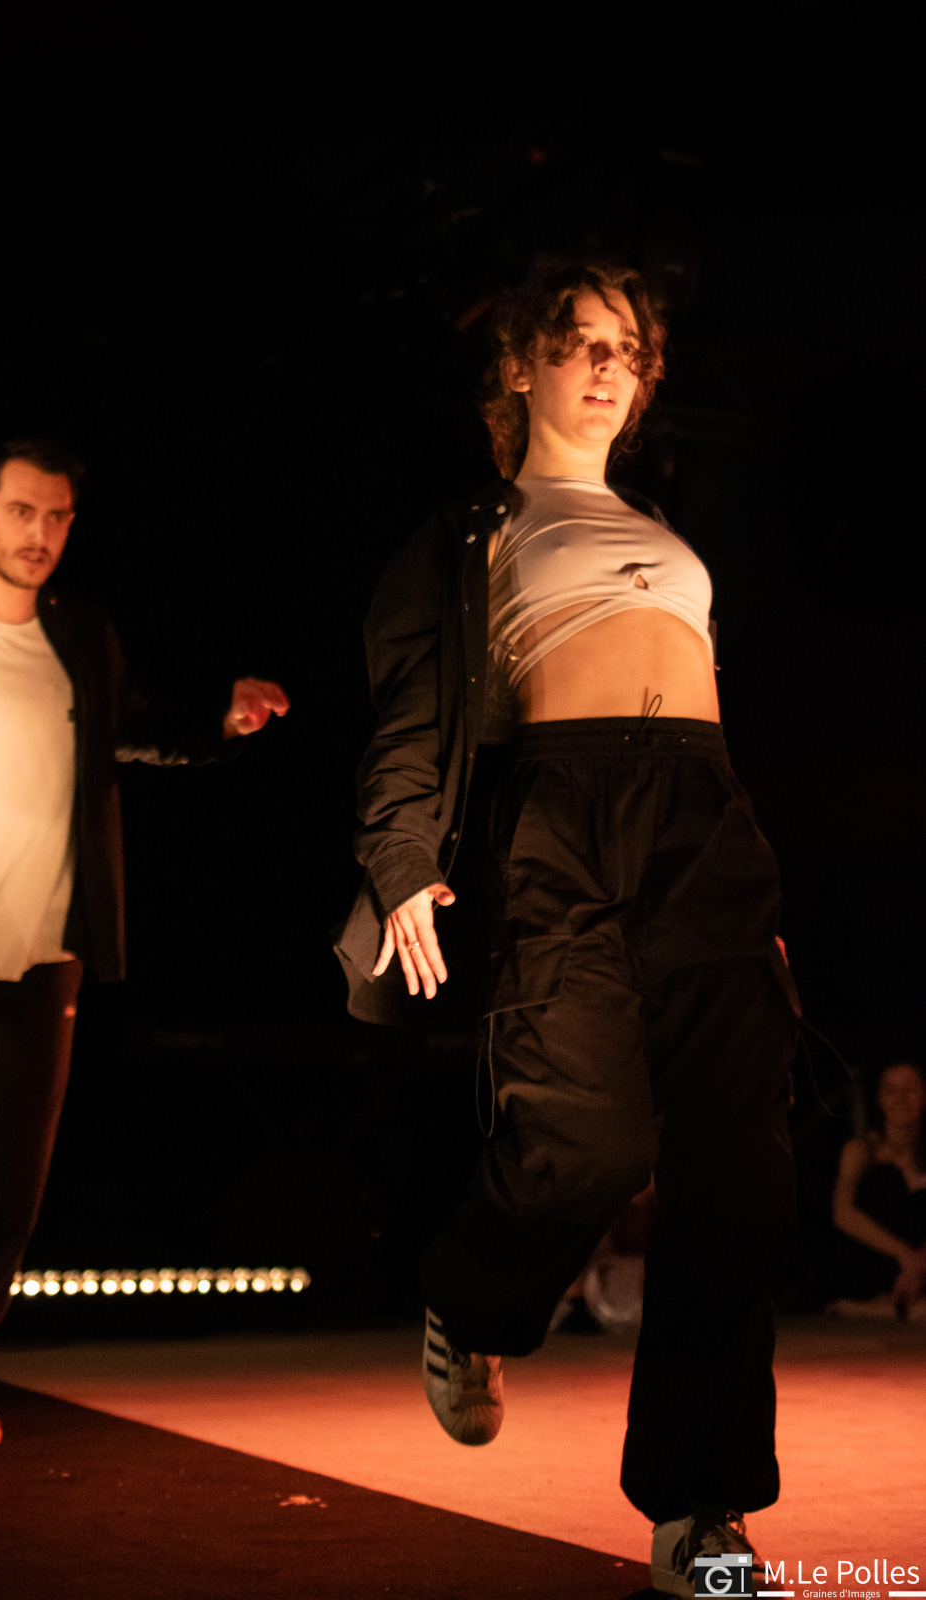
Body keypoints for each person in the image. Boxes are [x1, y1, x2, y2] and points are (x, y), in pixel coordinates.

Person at [336, 263, 801, 1599]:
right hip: (559, 816)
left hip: (703, 822)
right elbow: (409, 726)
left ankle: (700, 1511)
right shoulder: (466, 534)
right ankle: (473, 1295)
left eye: (626, 349)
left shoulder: (660, 532)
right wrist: (401, 861)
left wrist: (751, 905)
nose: (605, 364)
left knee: (738, 1174)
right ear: (518, 367)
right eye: (577, 341)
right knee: (588, 1140)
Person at [0, 438, 289, 1449]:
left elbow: (127, 730)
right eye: (22, 511)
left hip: (38, 957)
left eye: (57, 517)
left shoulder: (81, 635)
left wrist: (221, 723)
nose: (40, 533)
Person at [828, 1061, 926, 1320]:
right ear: (880, 1098)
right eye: (891, 1091)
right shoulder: (862, 1150)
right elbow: (842, 1213)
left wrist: (918, 1265)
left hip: (918, 1266)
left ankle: (893, 1308)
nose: (900, 1099)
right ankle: (879, 1302)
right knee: (885, 1178)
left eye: (909, 1090)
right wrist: (904, 1254)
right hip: (879, 1259)